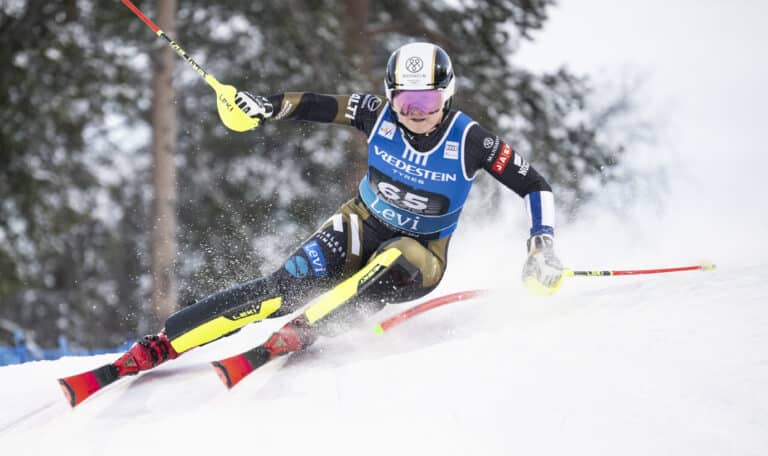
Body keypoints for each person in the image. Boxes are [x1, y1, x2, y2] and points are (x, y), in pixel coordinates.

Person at [112, 42, 564, 375]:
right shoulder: (376, 114)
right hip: (361, 223)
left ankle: (310, 325)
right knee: (279, 288)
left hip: (422, 254)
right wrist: (263, 107)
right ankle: (164, 344)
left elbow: (535, 185)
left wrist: (541, 245)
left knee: (396, 257)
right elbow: (315, 105)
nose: (415, 113)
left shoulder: (471, 140)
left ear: (446, 96)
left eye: (426, 101)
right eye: (406, 101)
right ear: (391, 97)